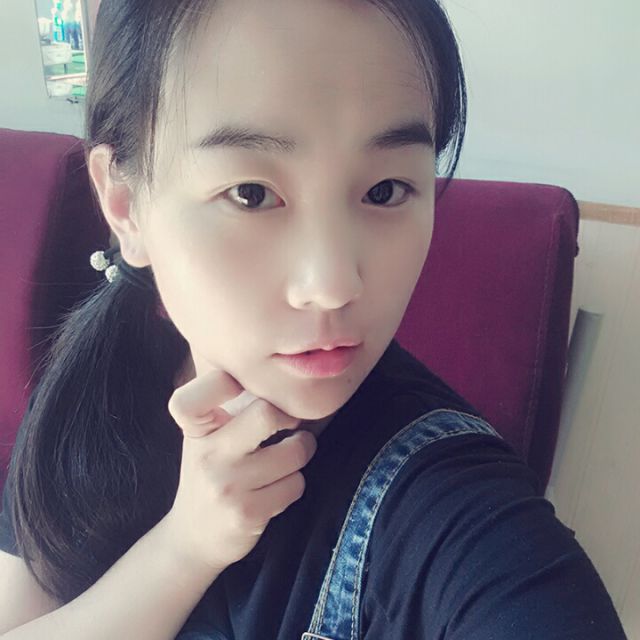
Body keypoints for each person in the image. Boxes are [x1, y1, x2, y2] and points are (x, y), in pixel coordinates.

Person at [0, 1, 628, 638]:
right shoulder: (90, 387)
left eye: (386, 190)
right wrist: (184, 548)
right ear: (124, 204)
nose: (333, 286)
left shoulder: (452, 511)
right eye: (251, 194)